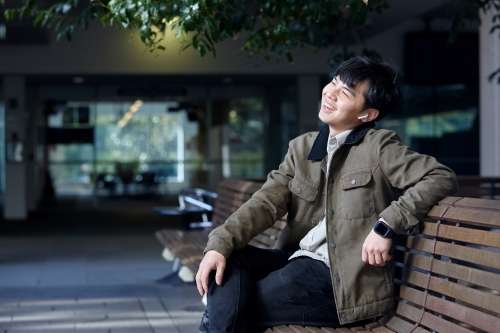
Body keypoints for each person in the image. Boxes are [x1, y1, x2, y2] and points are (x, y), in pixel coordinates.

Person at [196, 56, 458, 333]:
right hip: (295, 261)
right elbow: (264, 203)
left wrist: (386, 225)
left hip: (341, 282)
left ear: (367, 115)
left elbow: (440, 176)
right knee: (228, 261)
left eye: (345, 92)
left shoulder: (379, 146)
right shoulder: (303, 149)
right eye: (333, 82)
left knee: (229, 304)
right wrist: (218, 245)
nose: (329, 93)